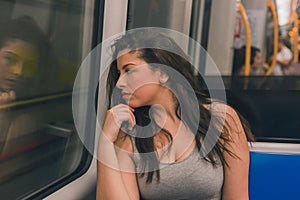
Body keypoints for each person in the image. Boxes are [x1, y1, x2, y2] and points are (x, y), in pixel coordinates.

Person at [97, 29, 254, 200]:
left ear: (163, 73)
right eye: (119, 74)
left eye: (129, 70)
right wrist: (105, 141)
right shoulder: (130, 135)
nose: (119, 83)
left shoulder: (221, 119)